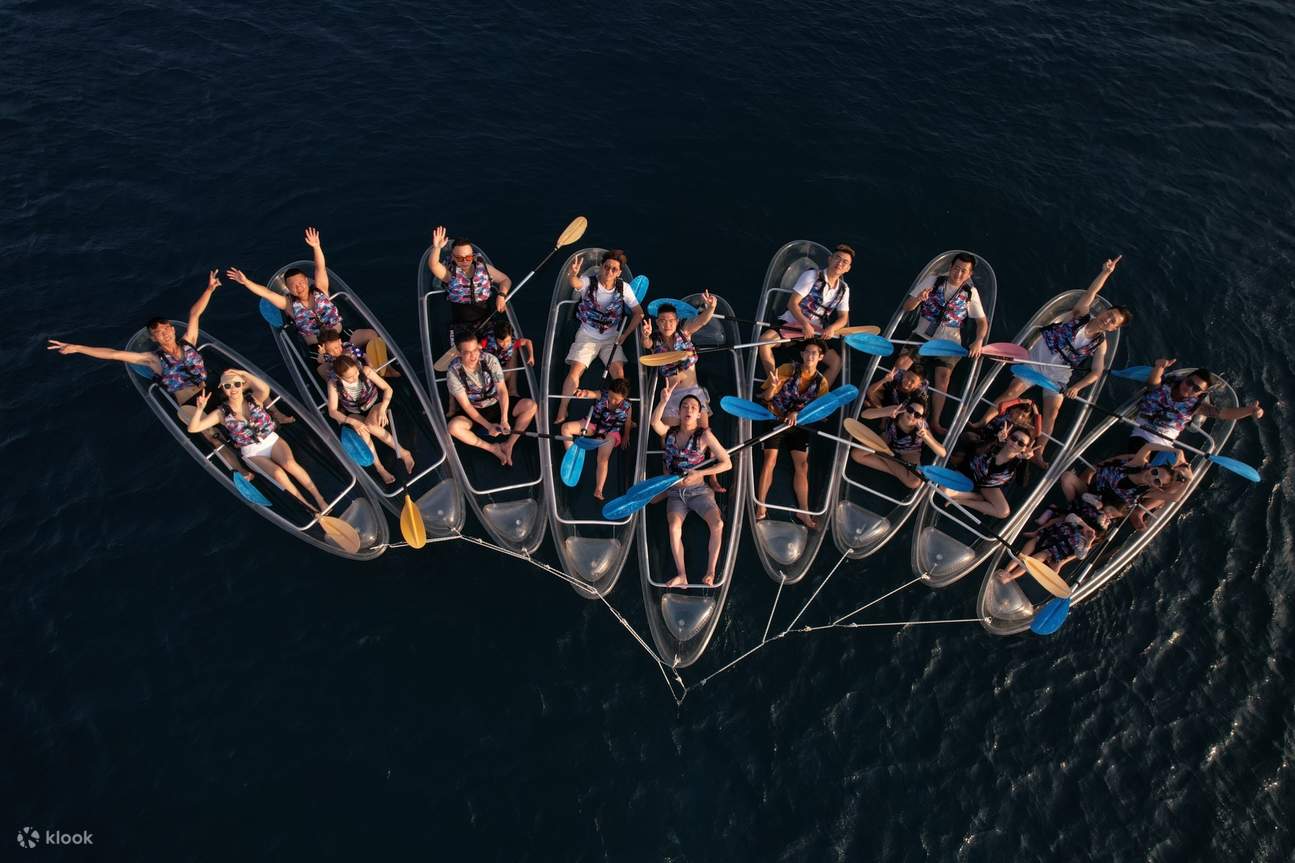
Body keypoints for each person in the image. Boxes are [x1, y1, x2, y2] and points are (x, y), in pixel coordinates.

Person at [46, 270, 270, 478]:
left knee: (250, 389)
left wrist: (210, 289)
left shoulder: (188, 341)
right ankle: (241, 470)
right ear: (154, 339)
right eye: (158, 334)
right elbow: (114, 354)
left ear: (172, 330)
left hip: (209, 391)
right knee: (212, 436)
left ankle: (275, 414)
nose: (164, 335)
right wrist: (78, 348)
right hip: (190, 403)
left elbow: (195, 314)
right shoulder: (153, 359)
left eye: (166, 330)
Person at [976, 256, 1132, 463]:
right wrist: (1105, 272)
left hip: (1058, 375)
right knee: (1012, 391)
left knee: (1052, 413)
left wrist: (1077, 387)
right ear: (1103, 311)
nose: (1107, 319)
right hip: (1036, 361)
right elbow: (1091, 293)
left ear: (1114, 328)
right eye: (1108, 314)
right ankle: (983, 422)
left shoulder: (1101, 344)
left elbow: (1096, 372)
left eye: (1113, 321)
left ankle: (1038, 452)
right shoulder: (1081, 315)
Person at [186, 369, 329, 513]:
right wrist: (199, 409)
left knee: (290, 464)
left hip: (271, 441)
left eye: (236, 384)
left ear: (242, 384)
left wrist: (244, 373)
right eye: (227, 386)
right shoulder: (220, 413)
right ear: (223, 389)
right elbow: (194, 429)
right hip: (252, 452)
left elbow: (264, 388)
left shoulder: (254, 398)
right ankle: (309, 507)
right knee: (279, 473)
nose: (233, 388)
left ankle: (320, 499)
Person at [227, 227, 377, 346]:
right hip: (319, 348)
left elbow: (320, 268)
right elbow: (267, 294)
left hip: (341, 337)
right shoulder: (289, 304)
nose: (298, 287)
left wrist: (316, 247)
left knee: (371, 334)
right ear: (288, 288)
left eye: (300, 283)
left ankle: (387, 367)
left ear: (306, 281)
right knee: (328, 366)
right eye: (293, 285)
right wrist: (246, 282)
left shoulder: (320, 290)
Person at [650, 376, 732, 587]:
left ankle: (711, 572)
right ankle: (682, 575)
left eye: (693, 407)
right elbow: (654, 423)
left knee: (718, 524)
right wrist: (663, 401)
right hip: (675, 493)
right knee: (674, 527)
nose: (688, 409)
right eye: (684, 406)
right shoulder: (669, 433)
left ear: (698, 413)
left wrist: (702, 475)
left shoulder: (704, 436)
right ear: (679, 412)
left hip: (698, 491)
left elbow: (726, 463)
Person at [900, 252, 989, 435]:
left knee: (943, 378)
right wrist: (918, 299)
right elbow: (907, 306)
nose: (958, 273)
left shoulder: (970, 293)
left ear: (969, 274)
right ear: (950, 268)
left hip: (949, 342)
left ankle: (935, 421)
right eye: (956, 268)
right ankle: (894, 402)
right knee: (902, 365)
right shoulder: (933, 281)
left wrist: (978, 341)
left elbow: (982, 322)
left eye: (963, 271)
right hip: (922, 335)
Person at [553, 250, 643, 424]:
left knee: (619, 375)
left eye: (614, 269)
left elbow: (638, 314)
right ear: (601, 267)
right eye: (607, 267)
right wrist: (573, 273)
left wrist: (624, 335)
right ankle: (563, 409)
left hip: (612, 337)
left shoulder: (624, 288)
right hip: (587, 334)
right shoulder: (589, 282)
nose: (609, 272)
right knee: (575, 371)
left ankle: (623, 414)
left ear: (619, 273)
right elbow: (575, 283)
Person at [755, 339, 830, 526]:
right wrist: (772, 387)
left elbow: (818, 412)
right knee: (769, 460)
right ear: (802, 355)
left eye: (815, 353)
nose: (810, 356)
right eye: (807, 352)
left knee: (802, 466)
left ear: (820, 357)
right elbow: (766, 398)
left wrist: (798, 413)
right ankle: (761, 505)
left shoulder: (822, 383)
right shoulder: (787, 369)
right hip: (775, 417)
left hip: (798, 425)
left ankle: (803, 512)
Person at [757, 244, 853, 385]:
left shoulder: (844, 289)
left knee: (836, 362)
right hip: (793, 324)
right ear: (830, 259)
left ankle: (818, 396)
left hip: (815, 333)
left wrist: (832, 328)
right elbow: (792, 303)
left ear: (847, 268)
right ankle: (773, 382)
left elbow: (844, 318)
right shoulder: (812, 275)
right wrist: (804, 324)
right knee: (764, 341)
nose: (840, 263)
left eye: (845, 262)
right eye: (837, 258)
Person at [445, 330, 537, 466]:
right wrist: (488, 426)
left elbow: (501, 390)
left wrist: (504, 419)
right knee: (453, 427)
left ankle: (509, 444)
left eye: (475, 350)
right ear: (459, 353)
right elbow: (467, 406)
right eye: (467, 352)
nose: (473, 356)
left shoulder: (489, 359)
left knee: (531, 406)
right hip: (475, 409)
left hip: (496, 402)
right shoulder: (453, 374)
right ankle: (492, 448)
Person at [1127, 360, 1263, 450]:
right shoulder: (1164, 386)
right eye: (1189, 383)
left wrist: (1250, 410)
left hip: (1163, 444)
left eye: (1196, 389)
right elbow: (1153, 383)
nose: (1189, 388)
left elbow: (1223, 414)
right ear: (1184, 379)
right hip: (1140, 434)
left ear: (1201, 393)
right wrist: (1159, 366)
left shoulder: (1195, 406)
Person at [1059, 442, 1192, 530]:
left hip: (1103, 507)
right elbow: (1148, 447)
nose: (1152, 477)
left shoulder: (1144, 491)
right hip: (1090, 492)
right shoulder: (1137, 463)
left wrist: (1189, 480)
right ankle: (1073, 507)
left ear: (1157, 486)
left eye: (1156, 481)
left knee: (1100, 517)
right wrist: (1176, 450)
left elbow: (1175, 497)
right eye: (1155, 472)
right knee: (1067, 477)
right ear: (1153, 467)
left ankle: (1077, 515)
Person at [326, 355, 414, 485]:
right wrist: (351, 421)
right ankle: (380, 468)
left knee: (371, 426)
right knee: (363, 431)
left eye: (356, 372)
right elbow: (332, 411)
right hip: (354, 413)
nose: (355, 377)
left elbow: (387, 389)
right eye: (349, 377)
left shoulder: (365, 371)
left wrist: (383, 408)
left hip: (374, 405)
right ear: (340, 377)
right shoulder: (334, 384)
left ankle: (404, 453)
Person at [427, 226, 512, 345]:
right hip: (460, 325)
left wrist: (501, 295)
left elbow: (505, 280)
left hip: (487, 321)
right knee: (466, 355)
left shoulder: (484, 268)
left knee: (498, 348)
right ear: (453, 257)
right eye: (460, 258)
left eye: (468, 257)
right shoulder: (449, 274)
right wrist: (437, 248)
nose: (465, 261)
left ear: (473, 255)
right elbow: (433, 265)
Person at [640, 295, 717, 426]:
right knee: (669, 438)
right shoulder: (656, 342)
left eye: (671, 321)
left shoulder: (685, 333)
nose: (667, 325)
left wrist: (711, 307)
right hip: (671, 395)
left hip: (692, 392)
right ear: (657, 322)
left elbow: (701, 321)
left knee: (702, 434)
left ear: (677, 321)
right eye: (663, 321)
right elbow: (646, 344)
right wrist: (645, 335)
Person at [560, 378, 634, 500]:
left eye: (616, 399)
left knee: (603, 459)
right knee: (565, 428)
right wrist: (584, 393)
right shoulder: (603, 395)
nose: (612, 400)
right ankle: (572, 455)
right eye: (611, 396)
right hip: (593, 425)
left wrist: (626, 435)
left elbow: (628, 422)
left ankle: (599, 489)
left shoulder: (628, 406)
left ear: (623, 398)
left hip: (611, 432)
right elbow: (592, 393)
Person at [850, 398, 947, 489]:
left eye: (917, 415)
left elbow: (942, 453)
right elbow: (864, 414)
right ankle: (899, 472)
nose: (912, 415)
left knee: (914, 482)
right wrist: (884, 412)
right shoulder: (896, 411)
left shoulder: (922, 427)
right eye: (910, 410)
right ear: (905, 408)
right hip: (887, 439)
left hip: (910, 451)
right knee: (856, 454)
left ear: (921, 418)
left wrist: (926, 437)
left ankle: (884, 456)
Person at [944, 427, 1038, 518]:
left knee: (1003, 512)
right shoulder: (994, 444)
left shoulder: (1018, 463)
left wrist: (1026, 461)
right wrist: (996, 439)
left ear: (1024, 449)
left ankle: (962, 502)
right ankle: (976, 497)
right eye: (1014, 438)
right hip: (968, 474)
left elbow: (1022, 483)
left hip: (988, 487)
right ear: (1008, 437)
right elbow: (976, 451)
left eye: (1021, 443)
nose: (1015, 443)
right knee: (945, 491)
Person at [995, 511, 1103, 585]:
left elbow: (1081, 555)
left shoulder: (1082, 543)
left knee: (1029, 562)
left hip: (1050, 552)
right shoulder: (1076, 524)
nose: (1089, 533)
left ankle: (1010, 577)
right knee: (1022, 555)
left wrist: (1089, 542)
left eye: (1092, 534)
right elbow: (1071, 516)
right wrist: (1086, 526)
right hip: (1042, 539)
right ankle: (1006, 570)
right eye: (1090, 530)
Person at [954, 398, 1043, 466]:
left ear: (1027, 419)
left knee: (978, 450)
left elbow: (1038, 432)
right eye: (1017, 412)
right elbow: (1002, 405)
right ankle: (957, 457)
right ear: (1012, 409)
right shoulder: (1004, 414)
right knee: (968, 436)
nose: (1019, 417)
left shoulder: (1020, 428)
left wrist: (1034, 408)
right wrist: (1021, 400)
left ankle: (960, 461)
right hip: (982, 437)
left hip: (995, 446)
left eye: (1023, 416)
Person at [482, 319, 534, 397]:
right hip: (489, 367)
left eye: (507, 341)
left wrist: (531, 356)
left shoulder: (513, 342)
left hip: (502, 363)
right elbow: (477, 347)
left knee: (513, 352)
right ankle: (496, 391)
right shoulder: (487, 341)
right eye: (501, 341)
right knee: (508, 373)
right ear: (496, 339)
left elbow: (528, 342)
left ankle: (512, 390)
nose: (505, 344)